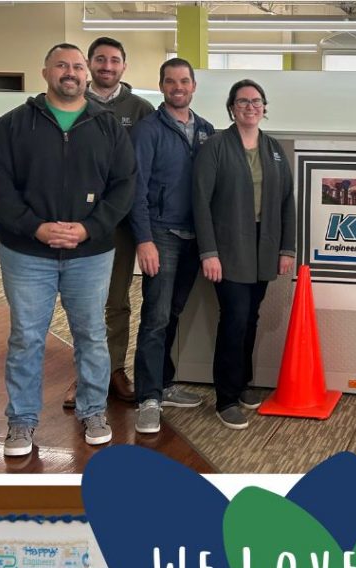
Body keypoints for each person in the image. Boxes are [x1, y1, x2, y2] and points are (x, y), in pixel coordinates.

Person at [0, 42, 136, 458]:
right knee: (26, 338)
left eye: (77, 66)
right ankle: (21, 421)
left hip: (90, 254)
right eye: (61, 65)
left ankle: (93, 411)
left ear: (86, 75)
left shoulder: (107, 126)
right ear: (45, 72)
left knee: (91, 335)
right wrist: (36, 227)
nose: (70, 72)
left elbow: (125, 186)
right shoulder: (13, 125)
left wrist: (89, 229)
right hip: (25, 252)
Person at [57, 37, 153, 413]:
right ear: (88, 64)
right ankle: (85, 374)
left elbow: (143, 169)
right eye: (100, 59)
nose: (107, 66)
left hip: (122, 221)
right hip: (78, 221)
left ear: (124, 67)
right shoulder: (71, 102)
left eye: (114, 60)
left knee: (116, 301)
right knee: (83, 302)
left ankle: (113, 369)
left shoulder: (141, 109)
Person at [193, 79, 295, 430]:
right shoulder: (216, 146)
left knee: (251, 316)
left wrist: (286, 248)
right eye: (242, 101)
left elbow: (286, 203)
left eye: (256, 101)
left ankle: (243, 384)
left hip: (263, 245)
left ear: (264, 107)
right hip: (227, 247)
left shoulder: (275, 150)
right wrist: (209, 252)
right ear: (231, 108)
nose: (250, 106)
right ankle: (225, 398)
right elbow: (200, 203)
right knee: (234, 317)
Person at [129, 58, 213, 434]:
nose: (178, 87)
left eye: (184, 81)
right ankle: (147, 396)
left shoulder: (208, 131)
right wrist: (144, 240)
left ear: (193, 86)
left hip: (196, 237)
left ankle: (164, 384)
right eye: (170, 81)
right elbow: (137, 188)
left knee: (174, 313)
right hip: (161, 235)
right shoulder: (148, 130)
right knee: (156, 317)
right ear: (162, 87)